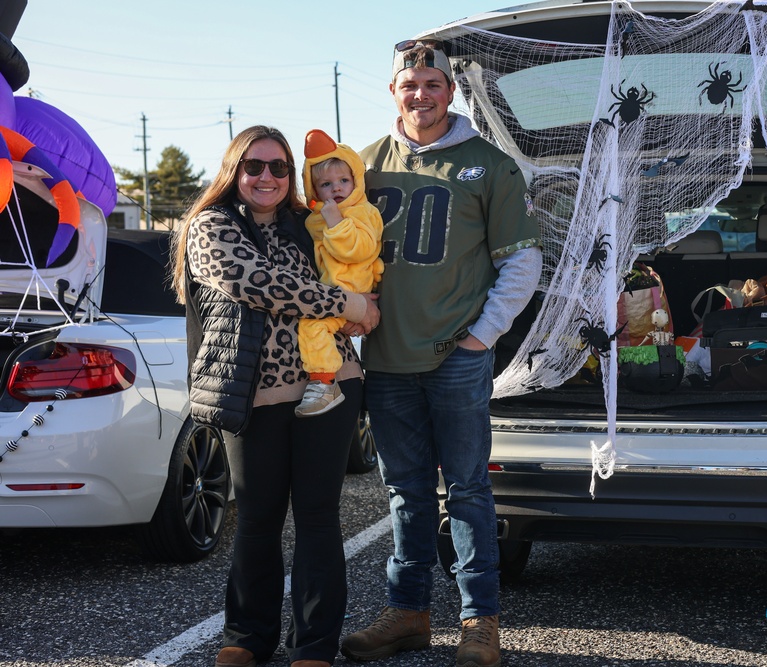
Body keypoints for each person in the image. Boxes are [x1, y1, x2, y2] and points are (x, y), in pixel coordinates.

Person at [340, 40, 542, 667]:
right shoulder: (363, 164)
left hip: (456, 354)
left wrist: (482, 335)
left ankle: (480, 622)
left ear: (450, 91)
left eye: (432, 83)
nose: (420, 95)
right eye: (410, 84)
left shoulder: (489, 164)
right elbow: (334, 248)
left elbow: (521, 261)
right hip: (385, 356)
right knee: (404, 492)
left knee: (469, 491)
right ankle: (408, 613)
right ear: (393, 91)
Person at [170, 125, 380, 667]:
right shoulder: (209, 226)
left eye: (279, 168)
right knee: (259, 518)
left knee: (317, 517)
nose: (266, 177)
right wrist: (348, 305)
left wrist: (359, 301)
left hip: (330, 384)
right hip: (252, 392)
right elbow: (257, 283)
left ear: (293, 176)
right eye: (254, 166)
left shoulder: (309, 225)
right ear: (234, 171)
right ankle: (247, 635)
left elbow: (353, 264)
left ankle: (314, 645)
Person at [295, 128, 384, 417]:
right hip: (334, 293)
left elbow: (359, 250)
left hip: (352, 288)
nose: (336, 188)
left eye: (344, 181)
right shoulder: (316, 218)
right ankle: (324, 382)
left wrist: (336, 223)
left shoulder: (362, 212)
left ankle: (324, 384)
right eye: (326, 184)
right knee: (314, 327)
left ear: (356, 181)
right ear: (313, 189)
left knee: (313, 325)